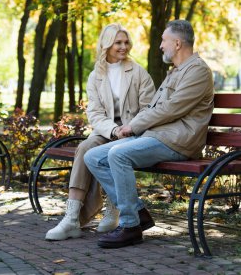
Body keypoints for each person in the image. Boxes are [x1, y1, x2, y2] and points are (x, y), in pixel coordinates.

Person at [84, 19, 214, 248]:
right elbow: (155, 109)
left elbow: (171, 109)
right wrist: (133, 127)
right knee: (92, 157)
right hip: (157, 136)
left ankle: (131, 225)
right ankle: (138, 212)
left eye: (163, 41)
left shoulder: (197, 71)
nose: (160, 46)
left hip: (178, 141)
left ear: (177, 43)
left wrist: (133, 126)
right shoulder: (176, 71)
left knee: (118, 155)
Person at [45, 23, 156, 240]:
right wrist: (114, 130)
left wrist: (130, 128)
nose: (124, 47)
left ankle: (112, 208)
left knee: (102, 154)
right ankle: (71, 216)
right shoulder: (95, 76)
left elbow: (149, 109)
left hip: (134, 132)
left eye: (126, 42)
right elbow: (94, 114)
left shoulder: (138, 72)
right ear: (107, 44)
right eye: (118, 43)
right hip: (108, 131)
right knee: (86, 148)